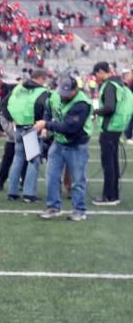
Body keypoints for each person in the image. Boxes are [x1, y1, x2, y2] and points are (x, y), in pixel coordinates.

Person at [37, 73, 92, 222]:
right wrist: (46, 126)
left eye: (68, 93)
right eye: (63, 92)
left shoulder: (82, 104)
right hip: (59, 142)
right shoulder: (55, 95)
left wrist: (46, 125)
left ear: (76, 90)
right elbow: (48, 110)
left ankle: (79, 210)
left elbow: (70, 127)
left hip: (77, 144)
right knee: (52, 176)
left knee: (77, 180)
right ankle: (53, 206)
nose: (64, 96)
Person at [1, 68, 51, 204]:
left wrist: (11, 119)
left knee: (18, 159)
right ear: (40, 78)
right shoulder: (42, 92)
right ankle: (29, 193)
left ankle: (12, 191)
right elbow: (42, 108)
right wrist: (41, 124)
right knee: (33, 161)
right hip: (32, 127)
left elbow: (4, 104)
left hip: (19, 127)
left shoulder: (18, 88)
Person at [92, 60, 132, 205]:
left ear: (101, 71)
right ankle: (113, 195)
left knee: (108, 163)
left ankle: (108, 196)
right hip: (116, 128)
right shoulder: (119, 84)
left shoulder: (109, 85)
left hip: (109, 129)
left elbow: (110, 107)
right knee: (113, 162)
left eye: (97, 74)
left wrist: (96, 111)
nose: (96, 77)